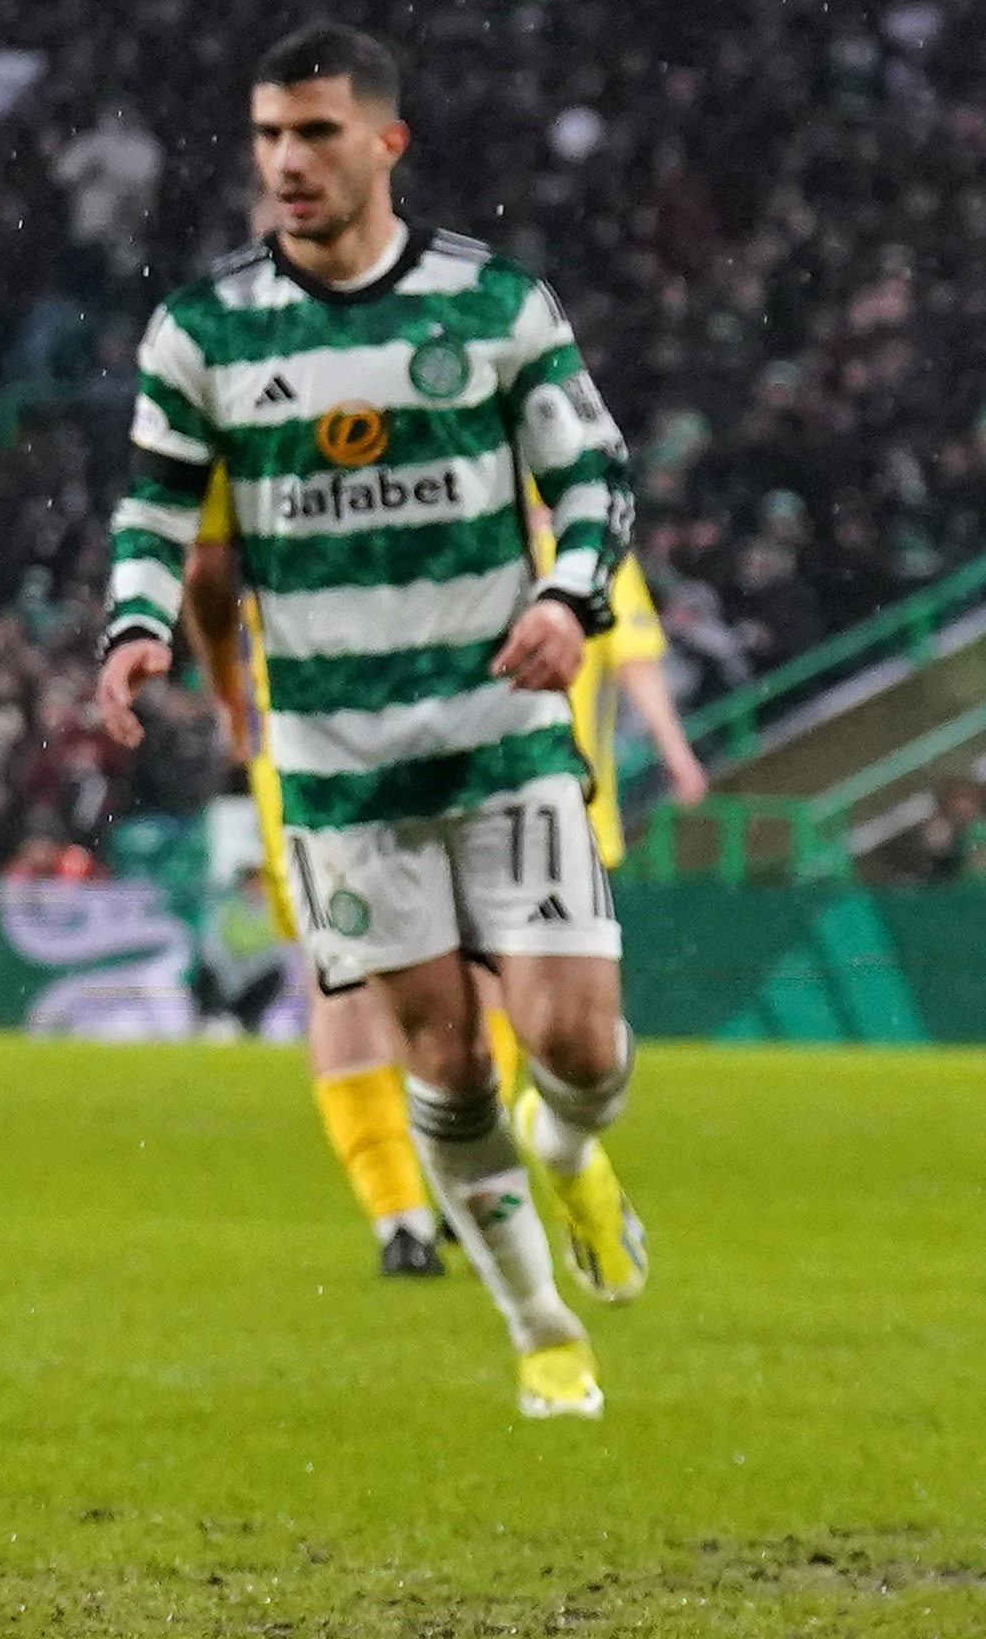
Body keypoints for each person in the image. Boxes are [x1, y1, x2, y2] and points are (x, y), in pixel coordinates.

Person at [96, 23, 650, 1420]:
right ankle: (538, 1332)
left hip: (500, 733)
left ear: (384, 143)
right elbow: (155, 512)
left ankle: (572, 1151)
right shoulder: (202, 332)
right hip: (337, 765)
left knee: (572, 1043)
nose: (286, 161)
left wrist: (568, 599)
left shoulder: (492, 306)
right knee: (444, 1056)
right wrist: (133, 623)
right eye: (268, 135)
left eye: (315, 133)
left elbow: (595, 478)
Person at [184, 463, 703, 1282]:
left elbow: (211, 570)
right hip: (379, 759)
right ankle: (420, 1205)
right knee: (378, 978)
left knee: (384, 980)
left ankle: (438, 1196)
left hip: (401, 754)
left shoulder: (299, 433)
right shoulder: (468, 480)